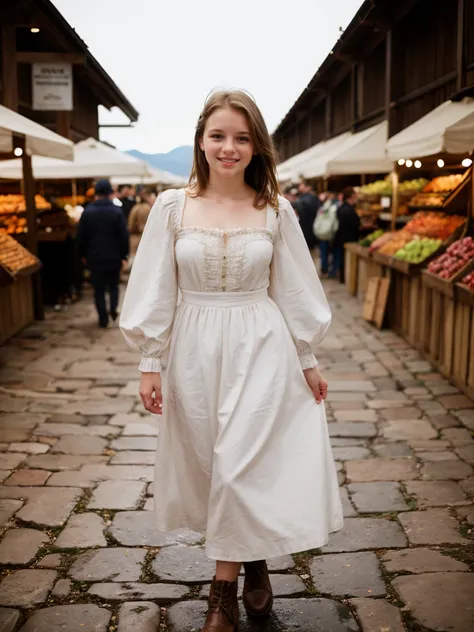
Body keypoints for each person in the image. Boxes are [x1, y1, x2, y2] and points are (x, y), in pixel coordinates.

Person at [119, 90, 342, 632]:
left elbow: (291, 287)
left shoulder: (277, 210)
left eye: (242, 138)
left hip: (262, 347)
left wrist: (307, 356)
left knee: (241, 463)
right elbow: (155, 286)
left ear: (256, 146)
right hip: (194, 352)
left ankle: (221, 594)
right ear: (201, 139)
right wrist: (151, 359)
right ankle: (255, 560)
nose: (229, 147)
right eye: (218, 135)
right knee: (214, 467)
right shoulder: (172, 208)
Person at [77, 179, 129, 328]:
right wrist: (124, 255)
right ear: (109, 193)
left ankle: (103, 317)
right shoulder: (116, 211)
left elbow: (81, 236)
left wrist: (82, 254)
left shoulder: (88, 212)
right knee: (113, 285)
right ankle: (113, 309)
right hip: (114, 256)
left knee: (98, 289)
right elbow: (123, 236)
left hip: (94, 257)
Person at [333, 186, 361, 284]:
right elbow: (355, 224)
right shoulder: (349, 210)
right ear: (352, 196)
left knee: (342, 258)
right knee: (347, 259)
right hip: (349, 237)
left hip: (340, 236)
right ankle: (347, 278)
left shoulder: (340, 208)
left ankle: (342, 277)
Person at [313, 192, 339, 278]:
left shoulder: (322, 208)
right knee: (333, 253)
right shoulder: (334, 208)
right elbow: (335, 223)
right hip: (330, 233)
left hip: (321, 233)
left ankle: (324, 270)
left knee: (323, 253)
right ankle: (332, 271)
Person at [128, 187, 157, 257]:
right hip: (146, 242)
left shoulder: (135, 208)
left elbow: (130, 226)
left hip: (135, 241)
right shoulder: (149, 209)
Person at [294, 179, 320, 250]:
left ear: (308, 187)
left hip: (308, 230)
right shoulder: (304, 197)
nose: (299, 187)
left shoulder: (311, 197)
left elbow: (303, 208)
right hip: (305, 229)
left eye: (301, 185)